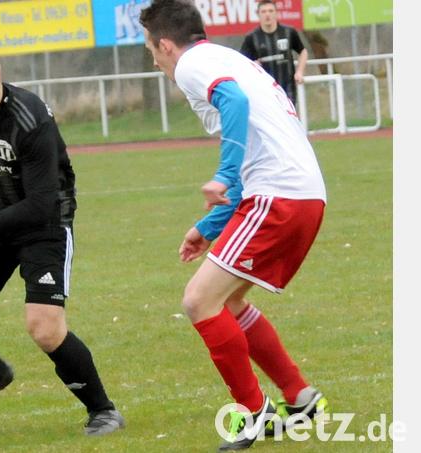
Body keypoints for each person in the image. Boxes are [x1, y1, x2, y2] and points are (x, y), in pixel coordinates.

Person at [138, 1, 327, 450]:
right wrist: (210, 224)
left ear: (166, 44)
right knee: (232, 301)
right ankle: (300, 398)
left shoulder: (193, 64)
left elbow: (234, 104)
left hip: (279, 195)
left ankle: (254, 412)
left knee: (199, 301)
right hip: (302, 194)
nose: (154, 60)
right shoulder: (225, 59)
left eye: (152, 50)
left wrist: (223, 175)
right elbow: (251, 153)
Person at [0, 35, 124, 436]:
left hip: (44, 224)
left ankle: (103, 411)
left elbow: (39, 207)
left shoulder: (32, 121)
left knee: (44, 327)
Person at [239, 0, 308, 105]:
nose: (267, 14)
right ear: (258, 14)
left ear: (276, 13)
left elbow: (303, 51)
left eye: (271, 11)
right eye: (264, 11)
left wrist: (299, 72)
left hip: (287, 87)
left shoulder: (288, 32)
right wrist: (252, 65)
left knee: (287, 120)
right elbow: (241, 62)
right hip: (263, 90)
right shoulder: (251, 38)